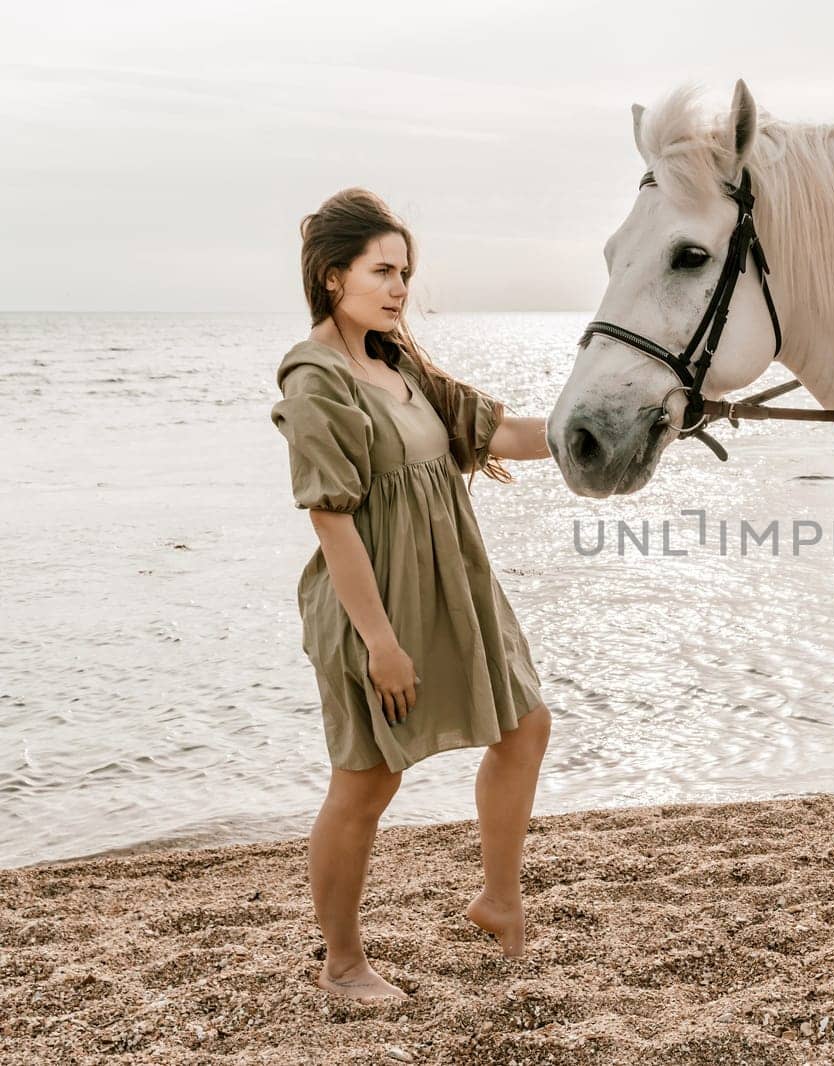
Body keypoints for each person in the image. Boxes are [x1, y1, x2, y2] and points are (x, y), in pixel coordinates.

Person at [270, 188, 553, 1003]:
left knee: (524, 723)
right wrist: (381, 642)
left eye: (406, 272)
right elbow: (332, 519)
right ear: (333, 277)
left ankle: (499, 900)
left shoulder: (398, 363)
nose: (400, 288)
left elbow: (500, 434)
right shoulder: (317, 376)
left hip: (454, 590)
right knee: (366, 781)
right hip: (375, 605)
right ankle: (343, 965)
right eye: (383, 271)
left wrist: (621, 426)